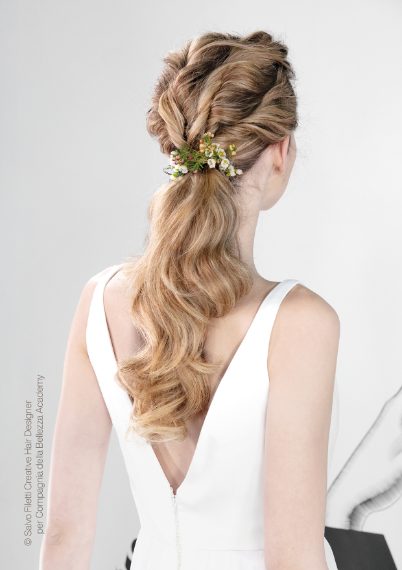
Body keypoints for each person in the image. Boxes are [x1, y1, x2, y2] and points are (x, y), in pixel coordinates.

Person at [39, 30, 341, 570]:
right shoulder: (300, 323)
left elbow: (64, 536)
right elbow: (293, 557)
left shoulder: (100, 301)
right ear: (280, 152)